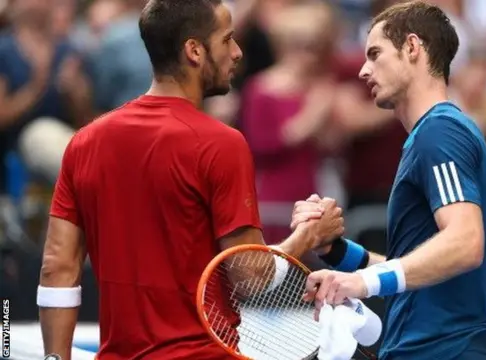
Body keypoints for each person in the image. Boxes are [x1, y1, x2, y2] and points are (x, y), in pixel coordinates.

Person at [36, 1, 343, 359]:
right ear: (194, 51)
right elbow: (250, 277)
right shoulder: (222, 144)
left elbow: (56, 268)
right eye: (227, 39)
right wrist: (308, 235)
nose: (237, 52)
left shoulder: (83, 143)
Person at [295, 1, 486, 359]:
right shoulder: (431, 135)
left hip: (443, 351)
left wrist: (361, 283)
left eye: (375, 54)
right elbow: (414, 271)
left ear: (412, 47)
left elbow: (466, 241)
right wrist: (337, 252)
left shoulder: (440, 131)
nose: (363, 70)